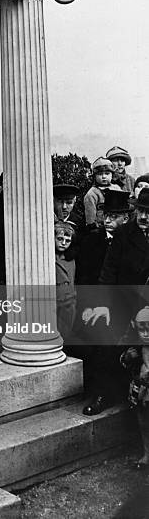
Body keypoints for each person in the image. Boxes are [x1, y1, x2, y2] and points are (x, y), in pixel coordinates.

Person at [81, 188, 149, 415]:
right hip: (122, 302)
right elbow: (108, 273)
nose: (144, 217)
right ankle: (103, 395)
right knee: (107, 340)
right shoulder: (124, 234)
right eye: (140, 210)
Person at [75, 190, 131, 415]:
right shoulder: (92, 241)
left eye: (114, 216)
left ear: (126, 218)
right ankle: (101, 394)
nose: (107, 220)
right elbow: (84, 277)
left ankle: (123, 393)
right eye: (105, 215)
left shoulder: (134, 241)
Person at [120, 307, 149, 470]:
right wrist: (127, 358)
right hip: (141, 392)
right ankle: (147, 454)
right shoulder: (137, 347)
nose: (145, 333)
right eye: (141, 329)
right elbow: (124, 362)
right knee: (143, 422)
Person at [83, 157, 121, 229]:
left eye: (107, 173)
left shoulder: (117, 189)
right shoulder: (92, 194)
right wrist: (93, 227)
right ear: (95, 176)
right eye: (100, 174)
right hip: (101, 227)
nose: (104, 176)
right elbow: (90, 218)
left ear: (112, 175)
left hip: (117, 224)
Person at [54, 221, 77, 341]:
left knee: (65, 335)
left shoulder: (70, 259)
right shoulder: (49, 257)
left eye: (67, 241)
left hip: (69, 303)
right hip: (54, 302)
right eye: (59, 239)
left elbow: (72, 280)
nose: (63, 243)